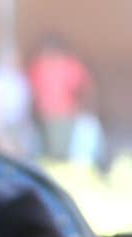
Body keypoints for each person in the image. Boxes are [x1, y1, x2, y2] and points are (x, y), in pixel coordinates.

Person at [27, 34, 104, 165]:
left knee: (69, 151)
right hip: (46, 117)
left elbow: (86, 88)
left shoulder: (69, 65)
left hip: (66, 115)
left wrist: (84, 108)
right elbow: (30, 92)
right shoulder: (38, 66)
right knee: (49, 152)